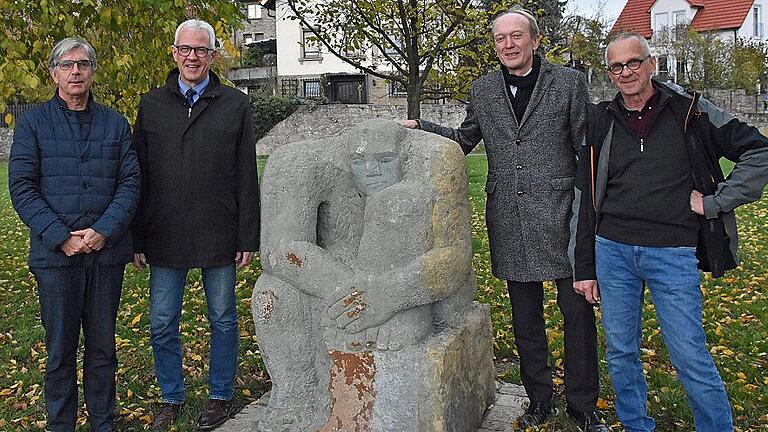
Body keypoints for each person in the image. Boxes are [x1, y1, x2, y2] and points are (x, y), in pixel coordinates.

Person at [400, 7, 608, 431]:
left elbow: (586, 152)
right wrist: (422, 126)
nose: (509, 45)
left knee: (577, 316)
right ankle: (539, 399)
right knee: (525, 319)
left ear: (535, 39)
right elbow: (465, 139)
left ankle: (583, 405)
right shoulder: (483, 90)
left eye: (516, 36)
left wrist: (589, 217)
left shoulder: (567, 83)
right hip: (511, 218)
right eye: (501, 39)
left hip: (561, 217)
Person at [572, 32, 768, 432]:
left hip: (672, 253)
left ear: (651, 64)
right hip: (613, 251)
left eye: (633, 63)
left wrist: (715, 202)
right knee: (622, 350)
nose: (626, 72)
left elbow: (759, 151)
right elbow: (583, 195)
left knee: (688, 353)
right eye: (616, 66)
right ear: (609, 74)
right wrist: (583, 266)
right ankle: (635, 424)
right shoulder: (599, 120)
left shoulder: (690, 110)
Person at [131, 19, 260, 431]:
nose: (192, 57)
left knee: (222, 318)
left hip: (218, 229)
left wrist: (247, 235)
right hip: (164, 232)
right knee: (162, 321)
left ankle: (220, 394)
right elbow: (139, 175)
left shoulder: (236, 104)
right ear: (174, 53)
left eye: (201, 50)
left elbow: (246, 174)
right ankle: (171, 396)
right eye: (185, 49)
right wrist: (136, 236)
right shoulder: (151, 105)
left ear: (212, 55)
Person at [8, 37, 140, 432]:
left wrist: (104, 230)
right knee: (60, 350)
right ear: (54, 73)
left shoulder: (115, 124)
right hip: (56, 259)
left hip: (105, 255)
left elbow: (130, 182)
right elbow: (22, 187)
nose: (76, 71)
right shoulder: (33, 123)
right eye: (67, 65)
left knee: (102, 349)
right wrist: (60, 236)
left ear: (93, 71)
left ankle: (103, 422)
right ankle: (60, 424)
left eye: (83, 64)